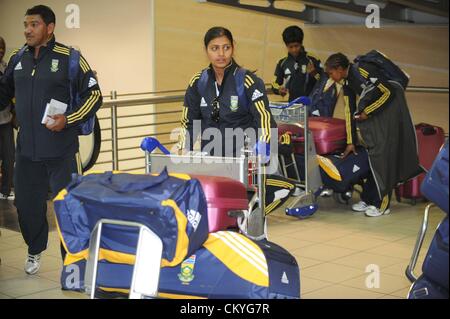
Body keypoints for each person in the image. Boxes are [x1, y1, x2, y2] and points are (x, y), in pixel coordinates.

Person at [0, 5, 103, 274]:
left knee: (69, 208)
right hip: (26, 152)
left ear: (49, 27)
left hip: (62, 153)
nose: (27, 30)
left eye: (34, 24)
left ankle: (73, 262)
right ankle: (35, 250)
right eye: (25, 24)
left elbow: (94, 96)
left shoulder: (71, 58)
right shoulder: (17, 58)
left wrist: (67, 119)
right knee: (25, 205)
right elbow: (3, 93)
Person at [178, 26, 295, 218]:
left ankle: (266, 197)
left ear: (233, 48)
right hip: (213, 160)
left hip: (243, 159)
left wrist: (263, 146)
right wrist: (185, 149)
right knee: (218, 210)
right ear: (206, 50)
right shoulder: (198, 82)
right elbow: (188, 121)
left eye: (226, 47)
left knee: (243, 212)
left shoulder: (248, 81)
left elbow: (264, 117)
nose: (221, 54)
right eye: (214, 48)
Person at [324, 52, 421, 217]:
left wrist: (368, 112)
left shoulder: (363, 70)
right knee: (372, 158)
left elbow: (388, 92)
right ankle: (368, 199)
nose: (331, 77)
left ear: (339, 69)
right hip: (376, 118)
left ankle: (382, 205)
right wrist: (350, 141)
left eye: (331, 73)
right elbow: (349, 111)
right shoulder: (347, 82)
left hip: (390, 113)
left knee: (383, 160)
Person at [272, 26, 322, 103]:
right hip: (292, 105)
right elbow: (275, 84)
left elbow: (325, 82)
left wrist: (314, 73)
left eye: (296, 46)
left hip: (312, 105)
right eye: (290, 47)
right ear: (286, 46)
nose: (294, 50)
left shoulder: (312, 60)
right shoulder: (283, 63)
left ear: (301, 43)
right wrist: (279, 90)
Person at [0, 36, 15, 200]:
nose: (1, 51)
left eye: (2, 49)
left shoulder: (6, 67)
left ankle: (5, 190)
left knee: (9, 156)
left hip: (6, 121)